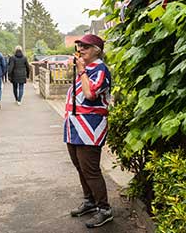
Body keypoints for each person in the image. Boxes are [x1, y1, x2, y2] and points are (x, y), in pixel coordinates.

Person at [64, 34, 113, 228]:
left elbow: (90, 94)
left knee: (90, 169)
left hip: (90, 127)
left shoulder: (100, 70)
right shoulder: (85, 69)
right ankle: (90, 201)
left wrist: (82, 71)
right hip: (74, 126)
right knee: (80, 166)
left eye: (85, 46)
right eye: (79, 46)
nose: (81, 49)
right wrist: (80, 70)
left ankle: (104, 209)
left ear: (97, 50)